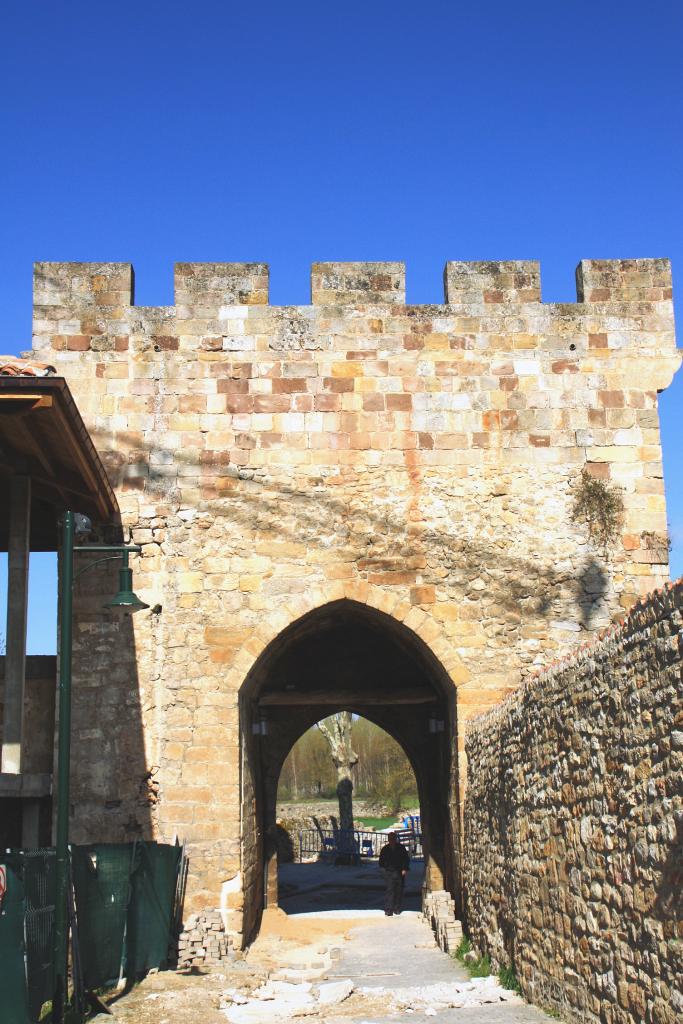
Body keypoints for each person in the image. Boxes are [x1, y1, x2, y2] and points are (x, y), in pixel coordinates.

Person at [378, 831, 410, 916]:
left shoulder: (401, 848)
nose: (392, 840)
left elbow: (406, 859)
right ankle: (389, 909)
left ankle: (397, 908)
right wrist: (384, 871)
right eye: (390, 838)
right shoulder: (385, 849)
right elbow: (381, 862)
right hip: (389, 872)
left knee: (399, 890)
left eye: (393, 838)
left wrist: (405, 869)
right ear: (388, 839)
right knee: (390, 890)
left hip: (399, 872)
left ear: (395, 839)